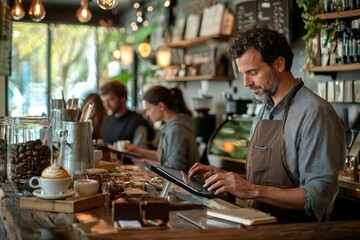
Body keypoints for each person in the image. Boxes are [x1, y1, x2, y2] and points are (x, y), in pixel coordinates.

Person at [189, 25, 346, 223]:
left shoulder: (314, 112)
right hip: (259, 226)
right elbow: (263, 182)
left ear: (279, 64)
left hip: (296, 233)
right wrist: (225, 179)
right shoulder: (264, 108)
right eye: (243, 73)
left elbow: (319, 196)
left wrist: (253, 190)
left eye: (253, 72)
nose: (246, 82)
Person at [126, 85, 200, 172]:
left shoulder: (175, 130)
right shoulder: (173, 126)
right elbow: (163, 156)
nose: (147, 114)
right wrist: (138, 151)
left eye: (148, 109)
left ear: (161, 106)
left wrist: (146, 162)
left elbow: (175, 169)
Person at [100, 81, 154, 149]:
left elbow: (140, 152)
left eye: (111, 99)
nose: (106, 104)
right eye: (104, 101)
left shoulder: (137, 123)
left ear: (123, 98)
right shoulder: (107, 120)